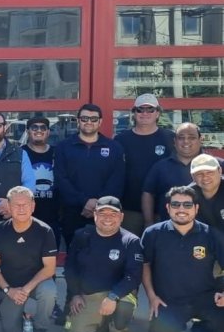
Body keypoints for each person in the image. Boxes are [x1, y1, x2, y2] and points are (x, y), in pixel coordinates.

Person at [142, 186, 224, 332]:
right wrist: (151, 296)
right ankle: (176, 328)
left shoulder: (210, 234)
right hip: (168, 301)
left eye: (187, 205)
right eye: (176, 204)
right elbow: (145, 265)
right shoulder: (153, 233)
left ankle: (200, 331)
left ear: (196, 208)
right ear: (168, 208)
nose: (181, 209)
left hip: (206, 298)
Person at [65, 196, 141, 332]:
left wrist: (113, 296)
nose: (107, 218)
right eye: (102, 213)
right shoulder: (82, 235)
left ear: (121, 217)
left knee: (125, 305)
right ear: (94, 215)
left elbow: (133, 276)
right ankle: (103, 324)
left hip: (118, 294)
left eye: (113, 214)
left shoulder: (130, 240)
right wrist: (75, 294)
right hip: (88, 295)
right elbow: (70, 267)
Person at [0, 186, 58, 332]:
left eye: (25, 204)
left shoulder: (45, 231)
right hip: (10, 287)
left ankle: (40, 328)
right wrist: (7, 290)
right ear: (9, 207)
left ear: (33, 206)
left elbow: (50, 268)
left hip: (36, 283)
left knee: (49, 290)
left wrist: (26, 289)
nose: (21, 208)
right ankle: (25, 319)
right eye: (16, 205)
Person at [54, 103, 125, 248]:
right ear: (78, 120)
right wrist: (84, 201)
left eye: (93, 119)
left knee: (104, 257)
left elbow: (117, 180)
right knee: (75, 257)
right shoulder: (63, 147)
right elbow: (61, 179)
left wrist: (98, 204)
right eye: (85, 118)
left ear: (100, 122)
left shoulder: (114, 148)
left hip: (105, 212)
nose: (89, 122)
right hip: (73, 212)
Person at [114, 93, 175, 236]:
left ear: (158, 113)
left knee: (161, 254)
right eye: (140, 110)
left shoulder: (170, 138)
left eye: (150, 109)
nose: (145, 113)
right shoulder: (121, 140)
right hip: (130, 209)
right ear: (134, 113)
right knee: (130, 252)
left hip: (163, 208)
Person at [142, 123, 203, 224]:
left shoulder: (216, 166)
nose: (186, 141)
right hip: (168, 229)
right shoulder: (160, 166)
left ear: (201, 140)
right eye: (181, 138)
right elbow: (148, 193)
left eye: (192, 137)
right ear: (175, 141)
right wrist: (148, 222)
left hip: (207, 230)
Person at [22, 117, 59, 242]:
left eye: (43, 127)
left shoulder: (58, 153)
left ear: (48, 132)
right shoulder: (19, 153)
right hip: (26, 215)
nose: (39, 130)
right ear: (28, 131)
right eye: (34, 127)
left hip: (54, 215)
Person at [188, 154, 224, 234]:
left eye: (210, 172)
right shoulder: (187, 196)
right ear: (192, 176)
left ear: (220, 171)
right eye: (199, 174)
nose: (205, 177)